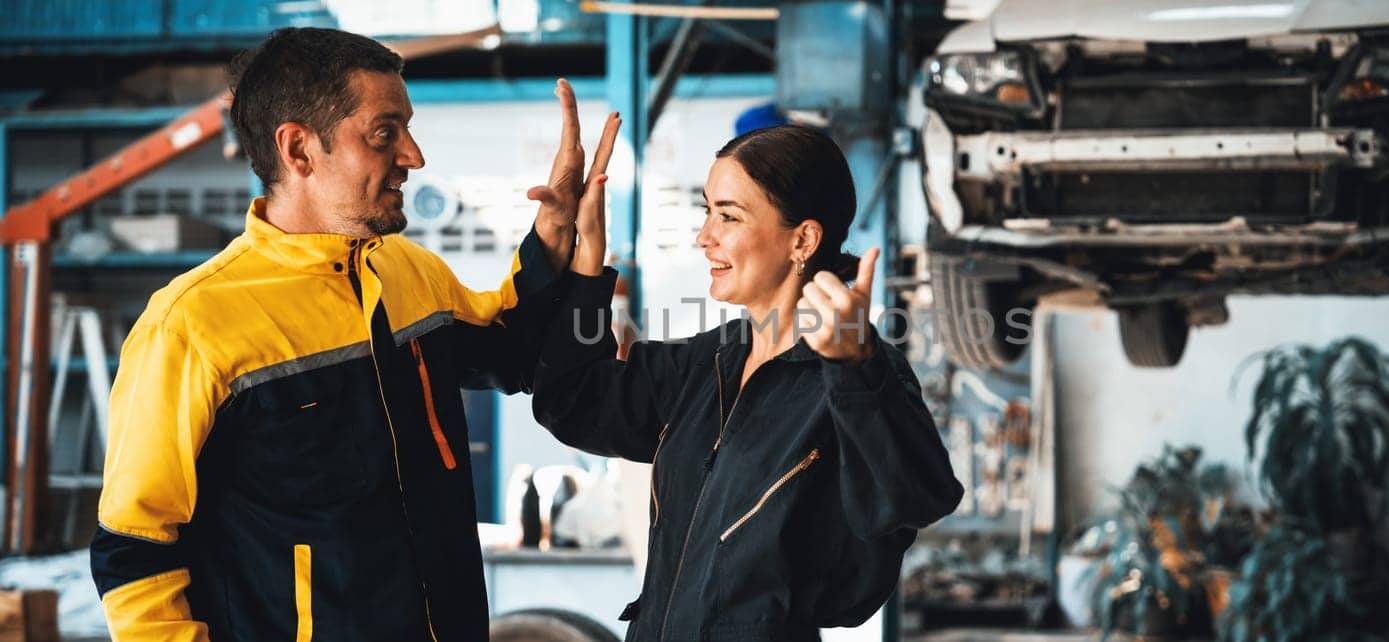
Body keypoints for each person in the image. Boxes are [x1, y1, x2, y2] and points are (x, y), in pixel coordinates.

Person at [89, 27, 619, 640]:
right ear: (299, 150)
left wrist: (556, 233)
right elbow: (135, 548)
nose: (414, 156)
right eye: (384, 133)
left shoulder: (408, 273)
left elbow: (517, 353)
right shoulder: (191, 326)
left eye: (408, 128)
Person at [532, 124, 964, 640]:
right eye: (707, 211)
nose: (704, 236)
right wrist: (582, 263)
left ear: (803, 239)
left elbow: (917, 498)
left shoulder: (859, 373)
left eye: (729, 216)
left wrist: (856, 367)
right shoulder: (703, 363)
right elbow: (572, 401)